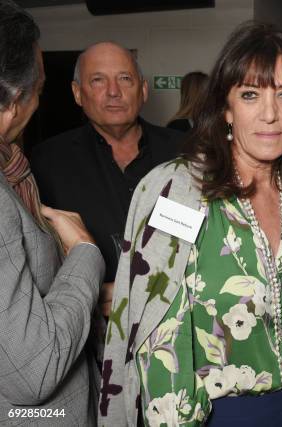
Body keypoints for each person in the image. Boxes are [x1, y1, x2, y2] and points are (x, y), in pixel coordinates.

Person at [99, 21, 282, 426]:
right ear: (226, 108)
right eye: (250, 95)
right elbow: (160, 337)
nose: (270, 114)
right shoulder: (177, 190)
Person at [0, 1, 105, 425]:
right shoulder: (42, 161)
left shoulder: (15, 169)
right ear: (16, 99)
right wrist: (83, 253)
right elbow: (33, 369)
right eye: (41, 88)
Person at [30, 42, 183, 316]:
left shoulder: (186, 153)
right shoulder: (46, 163)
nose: (114, 92)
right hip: (93, 332)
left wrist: (132, 291)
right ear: (78, 93)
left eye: (125, 79)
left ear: (143, 90)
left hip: (178, 318)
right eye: (98, 80)